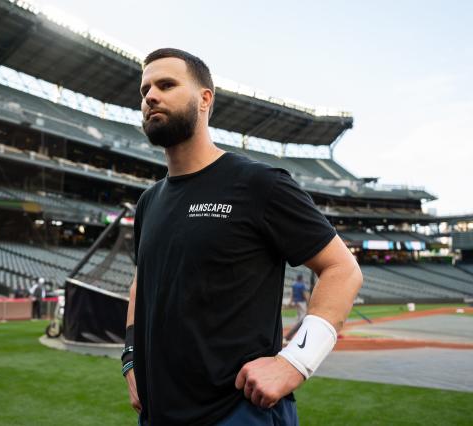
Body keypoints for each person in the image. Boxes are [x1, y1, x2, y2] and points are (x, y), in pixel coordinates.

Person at [122, 48, 363, 425]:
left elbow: (342, 269)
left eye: (167, 84)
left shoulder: (259, 184)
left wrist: (295, 362)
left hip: (236, 412)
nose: (150, 95)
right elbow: (142, 281)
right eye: (145, 89)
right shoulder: (149, 202)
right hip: (158, 415)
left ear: (205, 100)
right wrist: (130, 357)